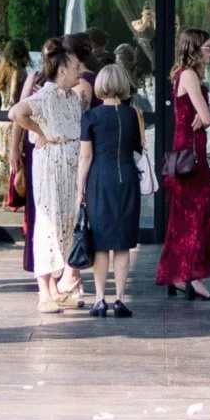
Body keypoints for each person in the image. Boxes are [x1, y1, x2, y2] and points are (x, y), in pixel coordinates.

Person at [15, 46, 90, 311]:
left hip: (70, 163)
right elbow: (16, 113)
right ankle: (44, 291)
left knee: (68, 222)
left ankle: (59, 286)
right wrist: (40, 131)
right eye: (75, 68)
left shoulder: (71, 96)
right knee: (48, 222)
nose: (79, 72)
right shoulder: (45, 94)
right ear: (61, 70)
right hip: (51, 164)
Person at [157, 28, 210, 303]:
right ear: (194, 49)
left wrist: (207, 116)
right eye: (206, 46)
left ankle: (179, 274)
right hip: (190, 154)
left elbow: (205, 116)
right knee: (197, 216)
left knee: (187, 216)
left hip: (190, 148)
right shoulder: (189, 75)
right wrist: (209, 116)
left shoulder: (186, 75)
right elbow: (207, 117)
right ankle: (191, 276)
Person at [78, 65, 146, 318]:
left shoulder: (91, 117)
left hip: (100, 179)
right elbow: (138, 148)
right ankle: (119, 298)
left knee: (100, 243)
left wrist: (79, 189)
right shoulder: (133, 115)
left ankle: (99, 299)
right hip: (127, 177)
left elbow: (86, 157)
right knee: (122, 244)